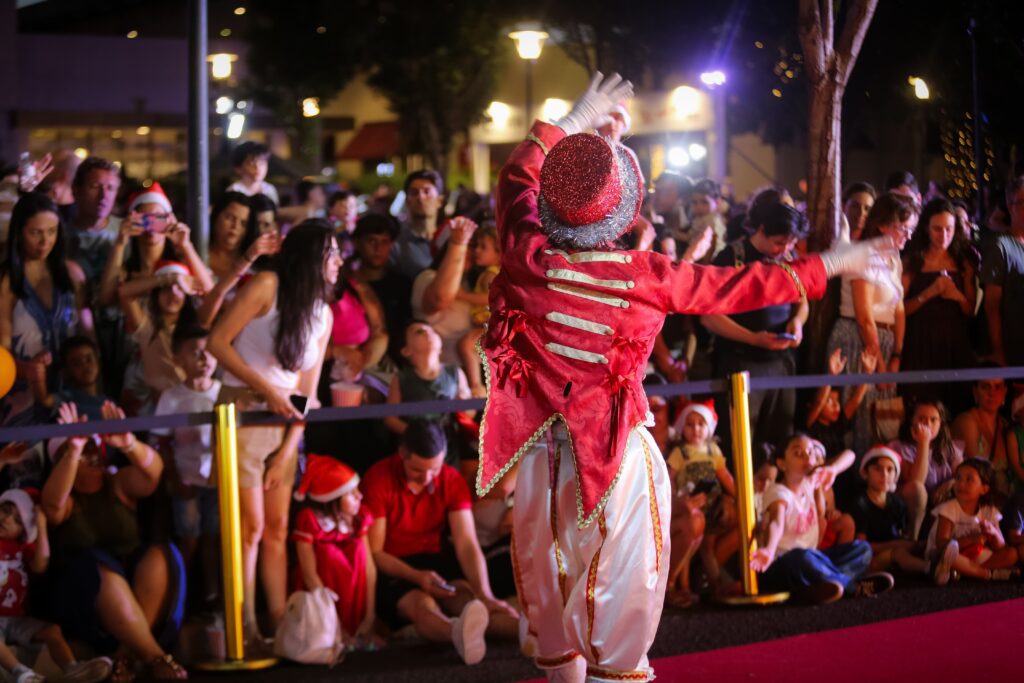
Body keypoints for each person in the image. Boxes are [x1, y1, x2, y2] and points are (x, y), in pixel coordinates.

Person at [477, 72, 892, 683]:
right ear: (621, 212)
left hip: (542, 455)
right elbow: (746, 285)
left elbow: (516, 176)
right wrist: (831, 262)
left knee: (551, 585)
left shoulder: (525, 252)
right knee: (619, 592)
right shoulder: (646, 275)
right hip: (613, 457)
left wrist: (572, 119)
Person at [208, 220, 338, 642]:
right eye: (330, 252)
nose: (338, 261)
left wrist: (288, 449)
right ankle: (241, 627)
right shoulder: (267, 283)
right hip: (243, 409)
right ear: (308, 257)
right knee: (250, 528)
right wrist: (267, 391)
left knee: (278, 527)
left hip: (286, 422)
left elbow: (307, 390)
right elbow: (217, 342)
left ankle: (280, 621)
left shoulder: (323, 311)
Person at [41, 402, 187, 682]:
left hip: (135, 588)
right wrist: (73, 449)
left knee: (160, 553)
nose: (93, 454)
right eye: (86, 451)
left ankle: (125, 655)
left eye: (94, 448)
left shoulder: (117, 484)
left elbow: (152, 474)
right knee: (100, 569)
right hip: (86, 594)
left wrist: (128, 443)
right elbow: (52, 504)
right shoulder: (66, 500)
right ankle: (154, 656)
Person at [361, 421, 517, 666]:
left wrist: (485, 594)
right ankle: (456, 634)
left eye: (434, 470)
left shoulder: (450, 479)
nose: (427, 478)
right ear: (402, 454)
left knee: (472, 603)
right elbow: (375, 552)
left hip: (435, 559)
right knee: (422, 605)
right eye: (417, 471)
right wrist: (416, 576)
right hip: (396, 566)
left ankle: (534, 635)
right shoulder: (379, 479)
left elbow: (466, 543)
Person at [702, 202, 810, 454]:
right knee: (740, 445)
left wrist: (798, 322)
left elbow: (802, 302)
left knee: (780, 442)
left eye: (791, 244)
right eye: (779, 242)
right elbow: (708, 317)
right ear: (761, 229)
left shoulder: (787, 259)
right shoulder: (730, 257)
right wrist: (753, 338)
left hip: (781, 363)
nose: (785, 250)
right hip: (741, 364)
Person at [749, 434, 893, 604]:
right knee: (802, 558)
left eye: (810, 452)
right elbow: (776, 522)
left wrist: (833, 469)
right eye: (798, 453)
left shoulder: (810, 482)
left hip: (812, 559)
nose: (807, 457)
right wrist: (770, 550)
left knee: (862, 549)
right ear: (782, 463)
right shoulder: (778, 492)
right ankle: (851, 586)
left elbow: (850, 455)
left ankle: (819, 587)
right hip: (783, 565)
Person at [826, 192, 918, 454]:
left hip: (885, 345)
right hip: (860, 342)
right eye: (903, 229)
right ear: (882, 225)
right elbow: (864, 316)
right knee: (860, 420)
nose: (908, 236)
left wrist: (897, 355)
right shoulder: (863, 254)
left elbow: (898, 307)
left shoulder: (893, 258)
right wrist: (878, 364)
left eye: (911, 229)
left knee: (882, 422)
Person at [0, 489, 114, 683]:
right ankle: (21, 673)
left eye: (18, 520)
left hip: (15, 619)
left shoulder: (23, 549)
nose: (7, 519)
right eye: (5, 510)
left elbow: (41, 562)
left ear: (24, 533)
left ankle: (73, 668)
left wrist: (41, 525)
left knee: (52, 631)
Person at [1, 192, 92, 427]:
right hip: (22, 400)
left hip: (73, 395)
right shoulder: (7, 281)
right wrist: (27, 369)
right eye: (36, 233)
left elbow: (88, 337)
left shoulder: (72, 274)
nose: (45, 242)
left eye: (52, 232)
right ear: (19, 232)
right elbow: (3, 350)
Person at [150, 323, 221, 607]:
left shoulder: (224, 392)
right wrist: (175, 479)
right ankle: (182, 597)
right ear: (179, 359)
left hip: (219, 481)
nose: (205, 360)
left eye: (210, 352)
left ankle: (214, 594)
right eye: (196, 353)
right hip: (187, 479)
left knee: (214, 539)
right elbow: (162, 442)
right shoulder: (172, 398)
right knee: (189, 539)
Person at [290, 454, 379, 646]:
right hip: (324, 600)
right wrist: (333, 624)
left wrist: (370, 615)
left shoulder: (359, 518)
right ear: (332, 498)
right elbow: (309, 574)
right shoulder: (309, 520)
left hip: (354, 594)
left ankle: (357, 625)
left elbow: (369, 570)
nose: (359, 496)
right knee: (329, 554)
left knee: (357, 550)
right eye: (351, 493)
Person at [900, 198, 977, 411]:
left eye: (949, 229)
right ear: (925, 228)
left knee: (956, 406)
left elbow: (970, 310)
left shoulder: (964, 261)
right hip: (920, 346)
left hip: (955, 345)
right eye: (937, 229)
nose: (943, 236)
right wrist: (929, 293)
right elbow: (899, 311)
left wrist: (956, 295)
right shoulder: (912, 261)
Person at [664, 401, 736, 607]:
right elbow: (668, 479)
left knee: (707, 549)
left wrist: (741, 497)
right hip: (690, 507)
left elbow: (725, 477)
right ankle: (684, 586)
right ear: (681, 427)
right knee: (690, 546)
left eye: (700, 424)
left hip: (712, 509)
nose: (696, 429)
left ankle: (713, 584)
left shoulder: (713, 450)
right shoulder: (680, 454)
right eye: (690, 424)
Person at [119, 261, 199, 413]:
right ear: (156, 293)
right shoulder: (146, 326)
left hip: (191, 403)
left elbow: (215, 295)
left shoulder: (195, 324)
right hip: (158, 406)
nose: (173, 294)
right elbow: (124, 292)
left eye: (179, 289)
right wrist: (171, 278)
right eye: (166, 289)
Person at [850, 446, 939, 580]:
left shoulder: (896, 502)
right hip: (871, 558)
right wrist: (893, 545)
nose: (884, 475)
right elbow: (861, 546)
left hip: (896, 550)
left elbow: (901, 533)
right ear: (865, 473)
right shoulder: (860, 504)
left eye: (890, 470)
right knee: (899, 553)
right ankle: (930, 569)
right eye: (877, 469)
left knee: (921, 545)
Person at [925, 458, 1019, 581]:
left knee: (1011, 554)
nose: (961, 484)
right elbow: (942, 544)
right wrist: (971, 539)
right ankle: (989, 574)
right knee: (950, 555)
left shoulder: (989, 511)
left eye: (969, 479)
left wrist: (993, 532)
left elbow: (1000, 546)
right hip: (946, 555)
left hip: (974, 555)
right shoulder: (949, 508)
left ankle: (964, 571)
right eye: (958, 478)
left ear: (984, 489)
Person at [806, 348, 876, 508]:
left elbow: (856, 401)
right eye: (829, 402)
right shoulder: (811, 424)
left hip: (840, 477)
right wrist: (831, 376)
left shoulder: (838, 424)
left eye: (837, 401)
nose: (836, 406)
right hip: (819, 474)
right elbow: (818, 403)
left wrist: (867, 374)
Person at [890, 399, 964, 540]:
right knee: (917, 489)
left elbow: (963, 473)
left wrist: (951, 483)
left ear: (940, 424)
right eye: (922, 419)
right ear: (911, 421)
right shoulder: (898, 446)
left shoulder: (949, 448)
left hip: (940, 505)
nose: (927, 424)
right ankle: (913, 541)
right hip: (911, 507)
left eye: (933, 420)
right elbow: (916, 481)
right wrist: (923, 443)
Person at [410, 216, 478, 365]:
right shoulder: (427, 278)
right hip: (446, 372)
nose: (472, 251)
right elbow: (440, 298)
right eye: (469, 244)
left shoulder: (473, 280)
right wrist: (458, 243)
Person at [349, 214, 412, 367]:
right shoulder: (346, 283)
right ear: (357, 243)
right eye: (372, 241)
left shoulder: (403, 285)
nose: (378, 249)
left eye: (384, 242)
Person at [980, 176, 1024, 367]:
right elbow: (992, 307)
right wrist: (999, 352)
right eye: (1022, 203)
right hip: (1015, 351)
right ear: (1009, 205)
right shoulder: (1001, 247)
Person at [457, 225, 501, 397]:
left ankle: (476, 387)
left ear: (498, 252)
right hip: (487, 324)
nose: (477, 251)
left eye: (483, 247)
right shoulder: (487, 274)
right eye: (476, 246)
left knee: (466, 345)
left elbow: (489, 297)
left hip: (493, 325)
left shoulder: (491, 275)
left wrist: (463, 295)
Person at [952, 376, 1011, 498]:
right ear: (975, 391)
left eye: (997, 387)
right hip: (978, 498)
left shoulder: (1006, 425)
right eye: (985, 387)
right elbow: (974, 469)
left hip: (1008, 499)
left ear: (1004, 392)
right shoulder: (966, 422)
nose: (992, 393)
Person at [66, 157, 122, 283]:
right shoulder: (57, 234)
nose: (103, 196)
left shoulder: (127, 231)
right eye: (95, 186)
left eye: (110, 188)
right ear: (76, 190)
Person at [394, 170, 447, 279]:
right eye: (414, 193)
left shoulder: (449, 239)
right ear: (407, 201)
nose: (420, 197)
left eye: (427, 192)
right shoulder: (396, 244)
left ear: (440, 201)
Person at [227, 141, 279, 205]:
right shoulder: (234, 190)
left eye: (262, 163)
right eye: (251, 163)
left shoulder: (269, 189)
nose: (257, 167)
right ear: (238, 168)